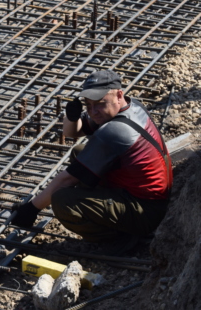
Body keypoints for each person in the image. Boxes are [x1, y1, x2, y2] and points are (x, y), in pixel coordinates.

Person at [12, 70, 172, 250]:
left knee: (63, 200)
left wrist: (32, 209)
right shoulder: (131, 106)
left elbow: (67, 179)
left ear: (119, 95)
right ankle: (107, 214)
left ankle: (120, 238)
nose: (93, 112)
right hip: (146, 195)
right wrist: (71, 118)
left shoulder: (114, 131)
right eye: (88, 105)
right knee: (80, 152)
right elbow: (72, 133)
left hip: (146, 212)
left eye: (99, 104)